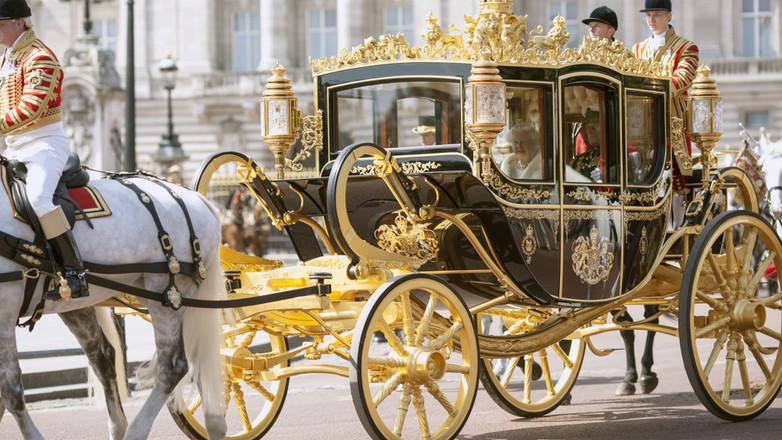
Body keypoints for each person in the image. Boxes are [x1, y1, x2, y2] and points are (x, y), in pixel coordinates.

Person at [0, 0, 88, 299]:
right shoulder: (9, 57)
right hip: (14, 146)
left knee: (38, 198)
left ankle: (75, 271)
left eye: (0, 24)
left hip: (43, 144)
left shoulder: (40, 57)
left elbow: (31, 108)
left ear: (19, 22)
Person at [632, 0, 699, 197]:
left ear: (669, 16)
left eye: (657, 15)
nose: (651, 20)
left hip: (672, 122)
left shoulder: (686, 47)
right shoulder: (637, 49)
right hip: (642, 123)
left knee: (676, 180)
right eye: (648, 15)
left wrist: (651, 91)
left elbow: (682, 78)